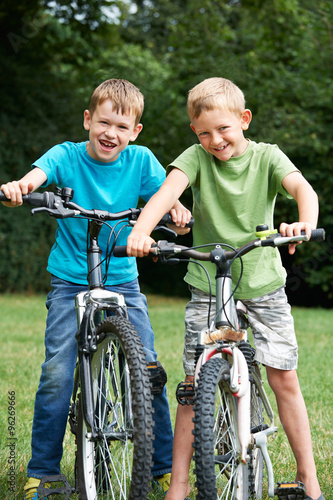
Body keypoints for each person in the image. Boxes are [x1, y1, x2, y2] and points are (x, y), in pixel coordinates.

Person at [126, 77, 324, 500]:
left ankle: (309, 479)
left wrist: (302, 223)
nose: (215, 140)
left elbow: (302, 189)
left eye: (224, 129)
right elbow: (166, 194)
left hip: (263, 283)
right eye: (204, 133)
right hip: (208, 283)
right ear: (195, 135)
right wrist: (142, 232)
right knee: (192, 385)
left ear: (244, 120)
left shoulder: (267, 157)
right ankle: (178, 485)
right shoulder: (196, 158)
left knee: (283, 376)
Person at [1, 78, 191, 500]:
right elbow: (37, 176)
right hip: (71, 280)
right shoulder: (66, 156)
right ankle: (44, 471)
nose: (112, 133)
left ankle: (160, 466)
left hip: (123, 279)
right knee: (57, 372)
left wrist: (176, 210)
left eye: (122, 127)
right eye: (104, 122)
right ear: (88, 120)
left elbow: (165, 197)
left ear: (135, 131)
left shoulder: (141, 161)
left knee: (149, 371)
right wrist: (21, 187)